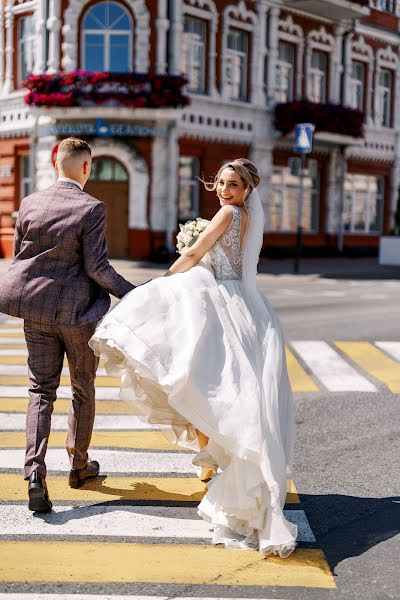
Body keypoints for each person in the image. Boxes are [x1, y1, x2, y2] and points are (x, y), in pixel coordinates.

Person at [90, 158, 297, 556]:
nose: (223, 190)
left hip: (222, 299)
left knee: (203, 381)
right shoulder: (250, 217)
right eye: (220, 183)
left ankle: (216, 461)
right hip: (247, 305)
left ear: (247, 189)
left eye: (233, 184)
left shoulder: (227, 213)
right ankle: (220, 462)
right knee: (226, 388)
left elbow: (197, 253)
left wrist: (160, 284)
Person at [0, 137, 135, 512]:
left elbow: (20, 258)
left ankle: (34, 473)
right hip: (78, 316)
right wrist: (134, 293)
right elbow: (97, 268)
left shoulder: (29, 202)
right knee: (82, 388)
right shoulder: (91, 208)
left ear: (54, 162)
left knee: (40, 391)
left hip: (37, 312)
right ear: (87, 167)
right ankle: (78, 466)